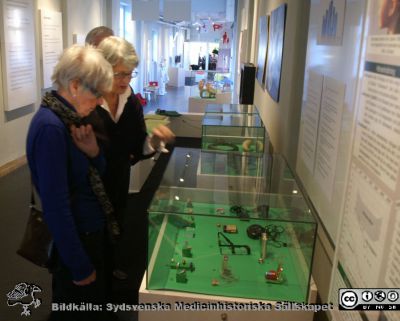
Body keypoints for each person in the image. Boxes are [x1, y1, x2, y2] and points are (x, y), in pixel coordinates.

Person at [26, 45, 117, 321]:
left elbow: (94, 174)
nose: (101, 101)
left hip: (89, 232)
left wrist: (93, 152)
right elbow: (56, 207)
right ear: (75, 85)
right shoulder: (51, 127)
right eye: (97, 93)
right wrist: (79, 265)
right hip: (77, 241)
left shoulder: (70, 119)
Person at [85, 36, 174, 280]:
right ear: (103, 69)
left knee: (117, 224)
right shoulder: (87, 105)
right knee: (91, 232)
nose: (125, 81)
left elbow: (138, 146)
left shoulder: (131, 103)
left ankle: (110, 270)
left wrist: (154, 141)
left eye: (130, 74)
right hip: (88, 185)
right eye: (119, 74)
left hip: (119, 177)